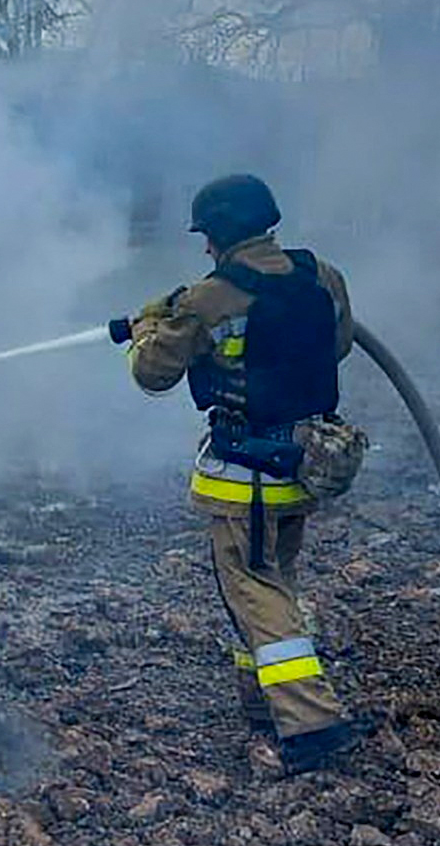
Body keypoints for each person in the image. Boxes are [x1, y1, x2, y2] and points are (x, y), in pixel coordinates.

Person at [123, 173, 369, 775]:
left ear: (222, 233)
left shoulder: (211, 297)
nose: (204, 248)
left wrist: (147, 330)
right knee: (270, 582)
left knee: (256, 589)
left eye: (207, 236)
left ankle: (311, 723)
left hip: (244, 478)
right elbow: (338, 346)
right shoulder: (320, 275)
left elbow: (152, 374)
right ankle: (260, 701)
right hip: (304, 465)